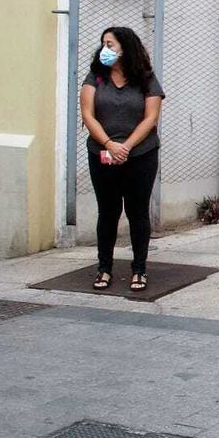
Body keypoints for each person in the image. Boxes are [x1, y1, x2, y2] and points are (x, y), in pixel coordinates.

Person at [80, 26, 165, 292]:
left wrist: (125, 147)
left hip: (140, 154)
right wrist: (108, 144)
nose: (105, 49)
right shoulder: (96, 77)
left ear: (125, 48)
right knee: (108, 211)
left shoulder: (146, 79)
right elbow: (87, 114)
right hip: (102, 154)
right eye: (103, 44)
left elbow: (151, 117)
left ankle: (139, 269)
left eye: (111, 44)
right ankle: (104, 268)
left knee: (137, 212)